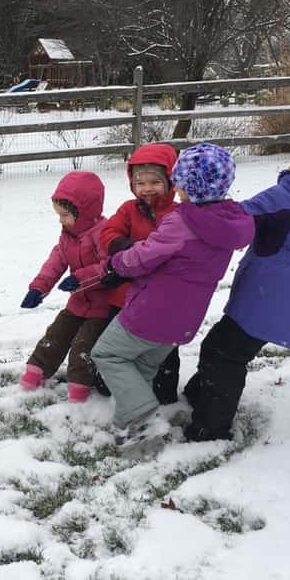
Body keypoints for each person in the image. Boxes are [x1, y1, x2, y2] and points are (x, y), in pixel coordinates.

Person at [182, 137, 290, 442]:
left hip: (262, 295)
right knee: (225, 347)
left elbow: (237, 218)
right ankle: (198, 394)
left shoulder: (287, 195)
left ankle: (210, 427)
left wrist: (201, 207)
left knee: (225, 355)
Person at [91, 143, 255, 442]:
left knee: (107, 354)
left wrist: (117, 262)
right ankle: (127, 423)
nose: (175, 185)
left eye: (178, 179)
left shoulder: (183, 221)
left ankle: (144, 418)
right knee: (143, 365)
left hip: (151, 313)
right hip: (185, 319)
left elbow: (143, 257)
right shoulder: (226, 221)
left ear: (189, 183)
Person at [19, 171, 111, 402]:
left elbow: (109, 265)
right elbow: (56, 261)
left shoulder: (104, 234)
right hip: (78, 302)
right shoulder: (68, 235)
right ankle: (35, 373)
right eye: (58, 215)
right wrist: (38, 288)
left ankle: (79, 389)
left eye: (66, 215)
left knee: (83, 346)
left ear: (85, 213)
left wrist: (81, 277)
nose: (61, 220)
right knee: (56, 334)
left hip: (102, 307)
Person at [99, 143, 181, 402]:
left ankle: (163, 391)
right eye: (140, 183)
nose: (146, 189)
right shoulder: (128, 210)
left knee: (163, 348)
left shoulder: (179, 214)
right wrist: (127, 248)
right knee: (115, 345)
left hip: (162, 300)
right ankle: (112, 385)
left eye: (155, 182)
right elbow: (108, 233)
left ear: (170, 181)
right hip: (123, 296)